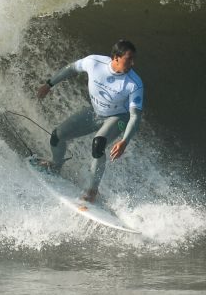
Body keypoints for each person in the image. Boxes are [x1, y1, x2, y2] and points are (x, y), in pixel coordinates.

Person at [36, 39, 144, 203]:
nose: (132, 63)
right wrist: (49, 84)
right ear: (115, 57)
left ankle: (92, 191)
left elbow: (135, 116)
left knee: (98, 144)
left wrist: (124, 141)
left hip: (118, 117)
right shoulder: (94, 62)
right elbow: (71, 69)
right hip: (95, 112)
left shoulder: (134, 83)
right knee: (57, 135)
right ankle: (55, 165)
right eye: (128, 59)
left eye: (133, 59)